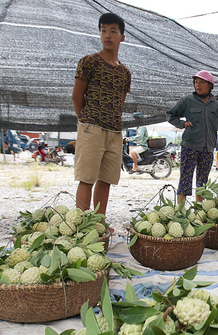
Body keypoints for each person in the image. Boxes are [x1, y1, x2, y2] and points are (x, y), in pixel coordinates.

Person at [72, 12, 131, 217]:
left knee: (106, 179)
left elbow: (120, 103)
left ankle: (98, 223)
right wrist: (86, 121)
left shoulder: (125, 73)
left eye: (113, 31)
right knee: (86, 178)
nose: (107, 35)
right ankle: (80, 224)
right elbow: (77, 97)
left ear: (122, 37)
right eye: (103, 30)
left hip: (114, 131)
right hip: (92, 128)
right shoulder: (88, 62)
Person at [166, 70, 218, 203]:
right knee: (185, 177)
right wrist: (182, 123)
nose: (198, 85)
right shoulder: (187, 101)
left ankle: (199, 208)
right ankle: (180, 211)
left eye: (201, 82)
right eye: (196, 82)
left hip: (208, 147)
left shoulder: (217, 105)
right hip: (190, 145)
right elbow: (170, 114)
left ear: (210, 85)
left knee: (203, 180)